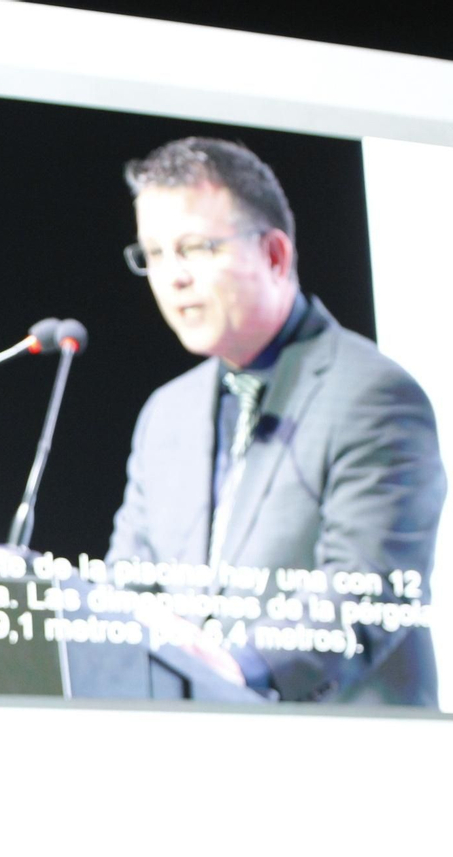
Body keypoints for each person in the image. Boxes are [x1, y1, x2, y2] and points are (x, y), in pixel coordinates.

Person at [108, 137, 445, 705]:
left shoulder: (374, 394)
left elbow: (366, 591)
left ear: (274, 256)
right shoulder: (166, 414)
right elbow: (130, 583)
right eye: (155, 254)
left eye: (194, 247)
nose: (173, 277)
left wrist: (235, 667)